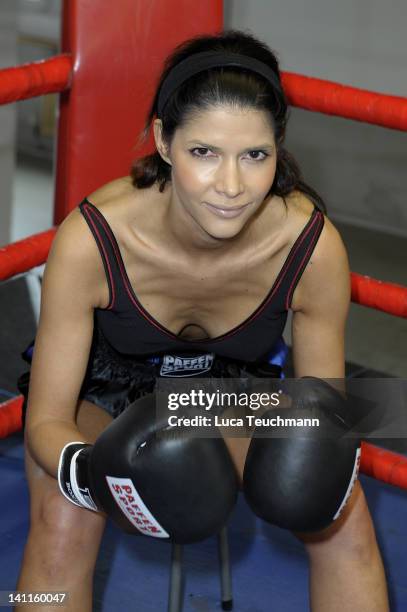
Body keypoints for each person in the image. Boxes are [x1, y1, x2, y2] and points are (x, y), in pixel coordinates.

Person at [16, 29, 389, 611]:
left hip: (226, 392)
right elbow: (45, 422)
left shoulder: (309, 246)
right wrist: (96, 475)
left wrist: (329, 459)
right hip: (109, 392)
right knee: (64, 518)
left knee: (343, 515)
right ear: (164, 141)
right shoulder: (94, 239)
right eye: (204, 153)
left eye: (255, 155)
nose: (232, 187)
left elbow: (323, 404)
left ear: (279, 146)